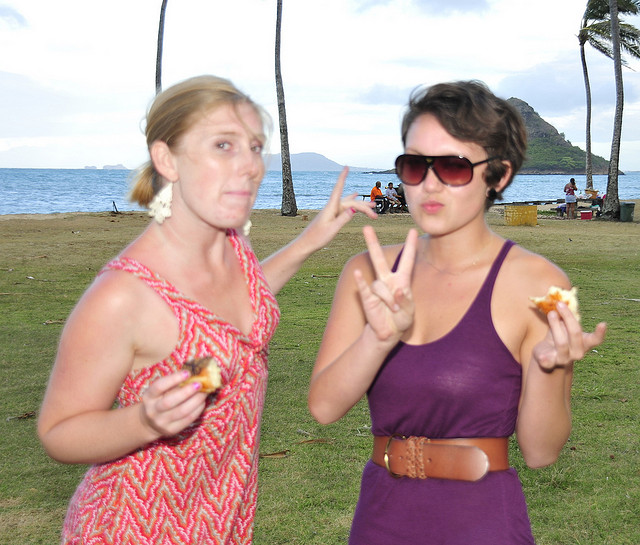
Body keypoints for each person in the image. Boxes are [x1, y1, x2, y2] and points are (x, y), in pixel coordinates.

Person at [37, 75, 376, 545]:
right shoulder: (124, 295)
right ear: (167, 159)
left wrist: (309, 241)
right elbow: (58, 431)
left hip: (218, 518)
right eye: (223, 145)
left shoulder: (231, 246)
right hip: (133, 527)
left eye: (254, 147)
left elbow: (239, 305)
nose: (250, 165)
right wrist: (144, 421)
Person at [308, 81, 607, 544]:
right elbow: (324, 407)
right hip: (381, 519)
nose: (429, 184)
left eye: (452, 166)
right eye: (414, 165)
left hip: (483, 523)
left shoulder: (537, 284)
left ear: (499, 176)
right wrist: (377, 338)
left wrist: (552, 366)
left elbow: (541, 452)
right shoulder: (367, 272)